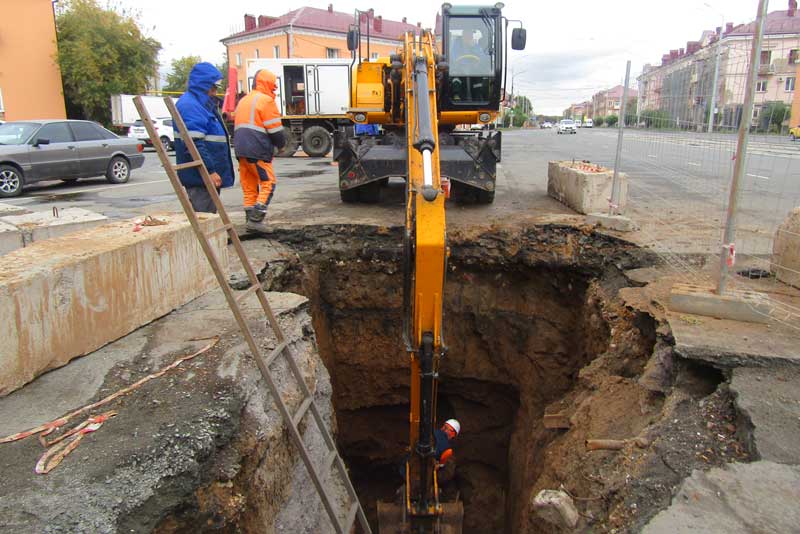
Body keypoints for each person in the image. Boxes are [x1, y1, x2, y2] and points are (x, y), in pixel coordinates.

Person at [173, 62, 235, 213]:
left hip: (205, 177)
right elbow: (194, 144)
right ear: (204, 85)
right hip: (200, 178)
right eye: (213, 87)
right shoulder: (190, 105)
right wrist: (209, 171)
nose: (215, 92)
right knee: (204, 219)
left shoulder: (200, 104)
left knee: (210, 218)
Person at [233, 69, 287, 233]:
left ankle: (249, 220)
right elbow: (275, 131)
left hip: (241, 150)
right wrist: (281, 144)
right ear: (268, 84)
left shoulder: (244, 100)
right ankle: (256, 220)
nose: (275, 89)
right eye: (274, 86)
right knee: (268, 183)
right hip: (256, 149)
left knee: (249, 185)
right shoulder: (266, 101)